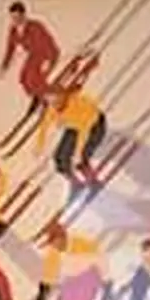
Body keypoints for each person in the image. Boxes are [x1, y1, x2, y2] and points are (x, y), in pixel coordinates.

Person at [43, 50, 110, 193]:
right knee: (59, 159)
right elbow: (44, 124)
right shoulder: (54, 106)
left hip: (94, 126)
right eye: (51, 102)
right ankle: (76, 183)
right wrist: (39, 145)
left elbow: (83, 134)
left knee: (81, 159)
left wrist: (79, 153)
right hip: (75, 127)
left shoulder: (73, 102)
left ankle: (94, 182)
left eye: (56, 101)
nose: (53, 105)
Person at [0, 1, 62, 136]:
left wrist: (47, 62)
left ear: (24, 15)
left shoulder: (35, 26)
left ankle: (53, 101)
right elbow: (10, 49)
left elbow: (46, 43)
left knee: (33, 78)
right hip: (35, 54)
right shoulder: (13, 30)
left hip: (48, 52)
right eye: (13, 18)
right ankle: (41, 97)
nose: (15, 20)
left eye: (18, 17)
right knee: (23, 78)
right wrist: (4, 67)